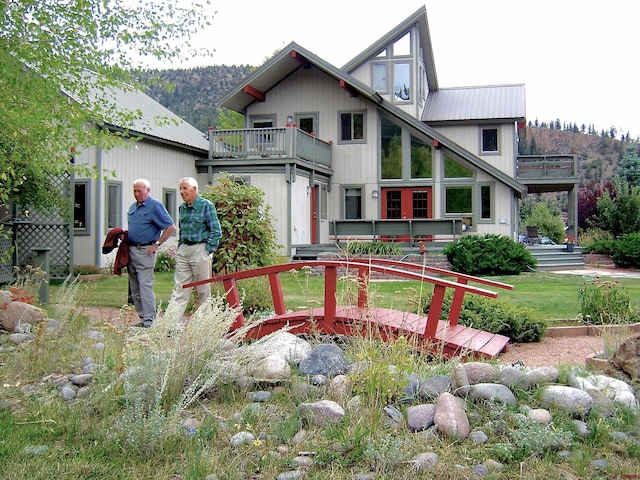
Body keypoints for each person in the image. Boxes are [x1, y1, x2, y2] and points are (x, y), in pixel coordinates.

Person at [168, 176, 222, 322]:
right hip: (184, 249)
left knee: (203, 290)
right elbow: (182, 231)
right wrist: (180, 248)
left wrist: (207, 250)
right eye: (180, 188)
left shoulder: (206, 206)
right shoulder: (182, 208)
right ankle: (171, 325)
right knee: (180, 288)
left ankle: (205, 326)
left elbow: (216, 231)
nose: (182, 191)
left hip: (200, 249)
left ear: (194, 189)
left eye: (185, 188)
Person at [127, 179, 176, 327]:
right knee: (134, 287)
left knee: (145, 286)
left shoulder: (155, 206)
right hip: (131, 250)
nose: (137, 194)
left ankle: (149, 321)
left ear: (148, 191)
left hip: (145, 251)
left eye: (140, 191)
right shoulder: (133, 207)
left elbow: (170, 227)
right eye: (135, 191)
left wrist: (156, 244)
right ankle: (143, 319)